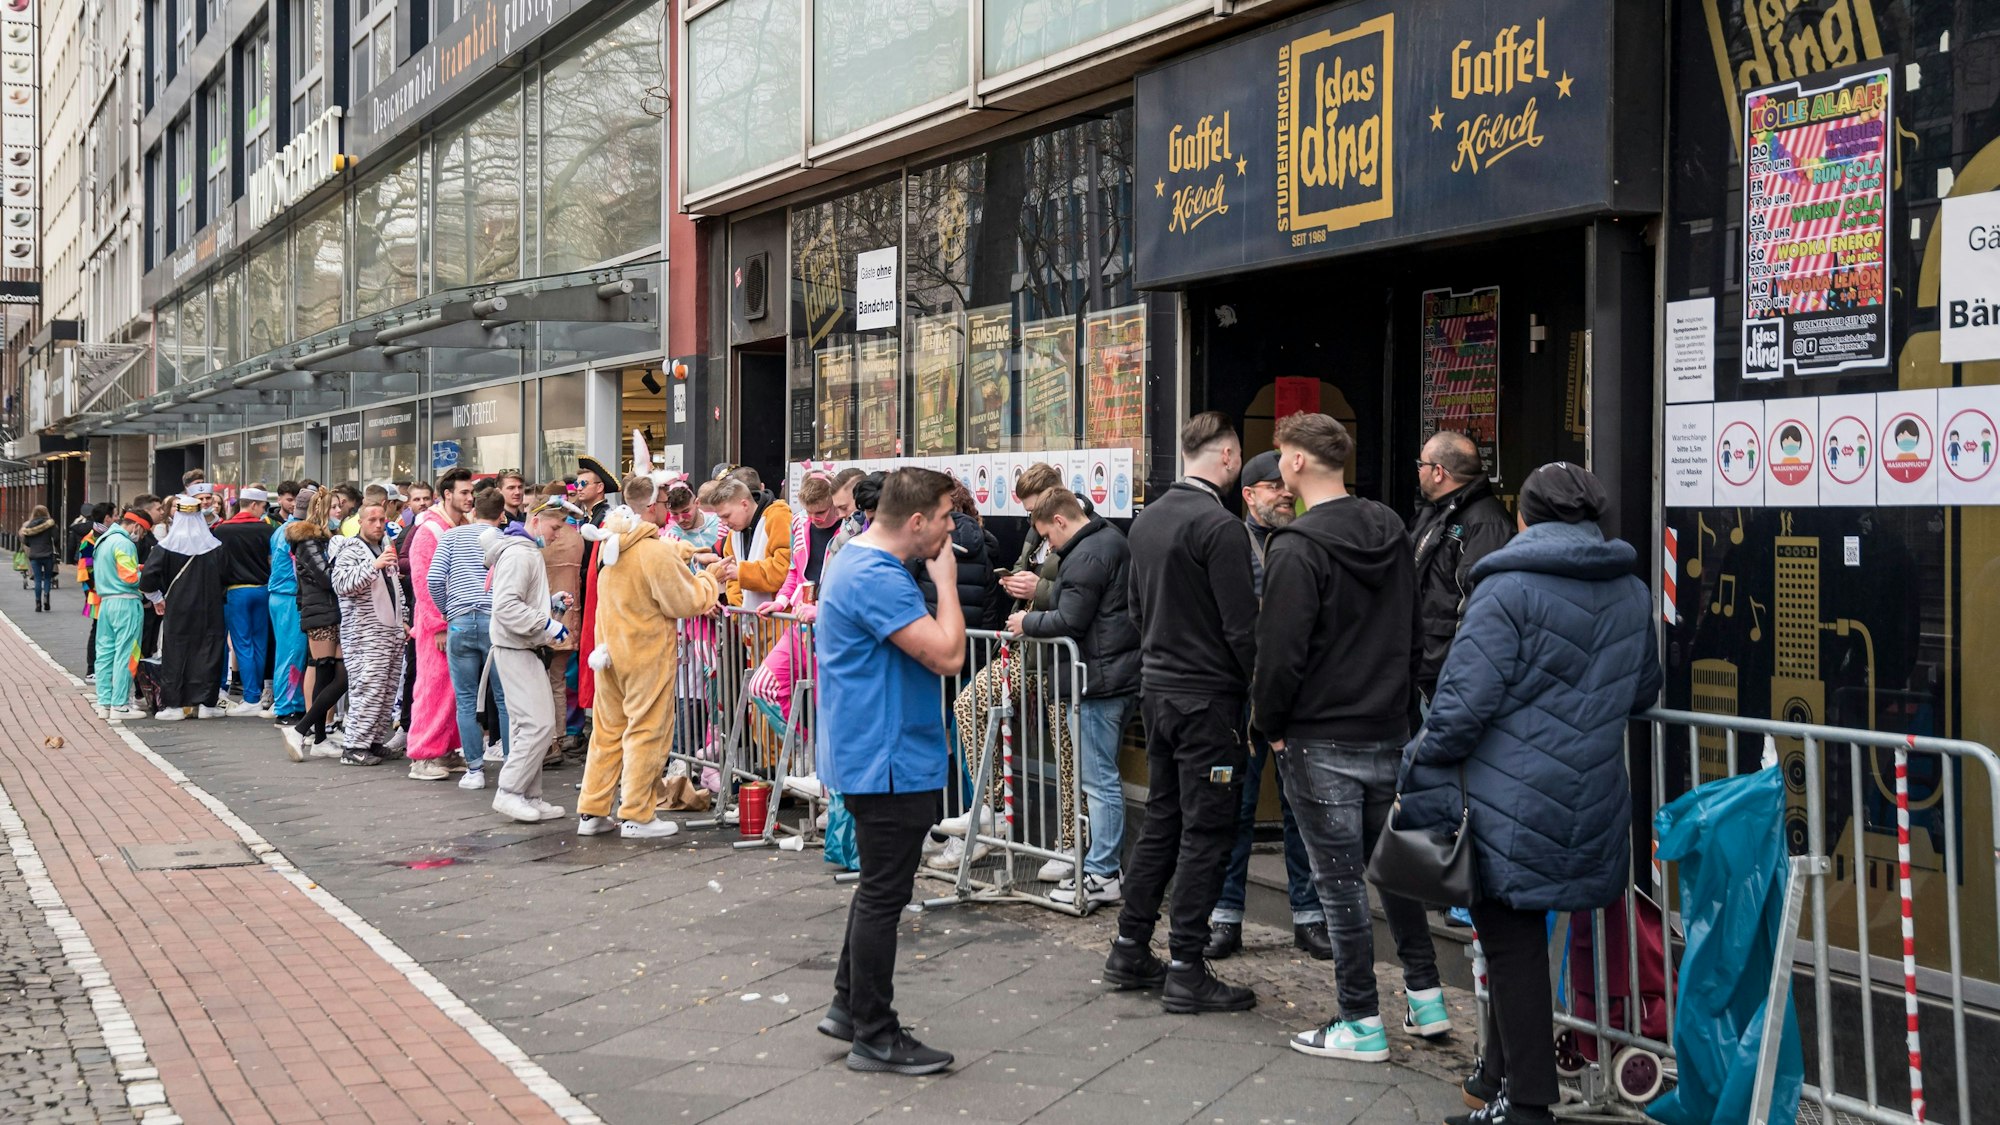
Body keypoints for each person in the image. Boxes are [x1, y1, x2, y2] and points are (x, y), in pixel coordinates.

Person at [1399, 462, 1662, 1125]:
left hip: (1507, 799)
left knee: (1510, 945)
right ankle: (1496, 1075)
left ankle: (1530, 1105)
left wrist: (1419, 758)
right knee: (1523, 944)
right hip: (1593, 793)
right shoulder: (1630, 589)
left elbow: (1459, 705)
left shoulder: (1508, 589)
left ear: (1525, 518)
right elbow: (1642, 689)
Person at [1251, 412, 1444, 1063]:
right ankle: (1426, 991)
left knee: (1340, 884)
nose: (1278, 468)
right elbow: (1413, 626)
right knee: (1395, 868)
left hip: (1320, 734)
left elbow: (1279, 653)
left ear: (1298, 462)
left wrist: (1270, 726)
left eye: (1280, 456)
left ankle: (1359, 1018)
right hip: (1386, 727)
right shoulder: (1391, 528)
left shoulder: (1297, 546)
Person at [1104, 410, 1258, 1014]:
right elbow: (1243, 628)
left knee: (1165, 820)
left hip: (1160, 690)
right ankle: (1189, 965)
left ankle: (1130, 943)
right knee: (1207, 829)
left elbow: (1137, 609)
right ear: (1226, 457)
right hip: (1207, 699)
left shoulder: (1147, 521)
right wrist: (1264, 698)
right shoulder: (1217, 527)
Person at [815, 467, 964, 1076]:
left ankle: (850, 1007)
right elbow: (950, 654)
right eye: (948, 516)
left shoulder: (853, 560)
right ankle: (875, 1033)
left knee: (877, 887)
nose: (953, 529)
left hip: (873, 750)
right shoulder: (878, 575)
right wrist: (946, 583)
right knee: (884, 895)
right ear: (918, 522)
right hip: (889, 757)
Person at [1209, 450, 1331, 961]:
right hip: (1239, 696)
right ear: (1249, 494)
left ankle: (1309, 917)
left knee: (1303, 811)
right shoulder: (1228, 542)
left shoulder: (1307, 541)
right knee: (1233, 811)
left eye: (1287, 485)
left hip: (1297, 695)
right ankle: (1225, 918)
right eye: (1272, 485)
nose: (1284, 492)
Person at [1007, 486, 1138, 907]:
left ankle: (1102, 870)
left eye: (1048, 535)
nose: (1048, 545)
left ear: (1060, 521)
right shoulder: (1106, 541)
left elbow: (1071, 619)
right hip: (1104, 674)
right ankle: (1103, 867)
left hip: (1096, 680)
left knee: (1098, 781)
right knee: (1099, 779)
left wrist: (1027, 623)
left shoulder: (1085, 554)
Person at [577, 501, 720, 839]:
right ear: (652, 507)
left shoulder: (613, 546)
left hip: (610, 652)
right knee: (647, 732)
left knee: (607, 734)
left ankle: (592, 811)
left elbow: (663, 555)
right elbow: (685, 602)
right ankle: (637, 815)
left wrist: (685, 553)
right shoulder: (651, 552)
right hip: (644, 654)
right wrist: (709, 579)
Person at [484, 498, 576, 822]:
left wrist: (548, 608)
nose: (556, 535)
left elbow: (512, 603)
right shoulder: (521, 554)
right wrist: (547, 622)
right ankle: (510, 792)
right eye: (554, 527)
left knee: (531, 725)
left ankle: (527, 794)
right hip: (517, 649)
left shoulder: (522, 552)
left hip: (519, 648)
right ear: (536, 521)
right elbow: (506, 607)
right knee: (538, 724)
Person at [1411, 431, 1513, 704]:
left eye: (1422, 465)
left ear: (1438, 472)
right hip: (1426, 669)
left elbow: (1480, 607)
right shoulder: (1438, 512)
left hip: (1449, 679)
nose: (1418, 472)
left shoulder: (1485, 523)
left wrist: (1455, 672)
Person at [429, 488, 511, 788]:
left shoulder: (451, 537)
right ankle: (510, 770)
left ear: (473, 510)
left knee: (466, 699)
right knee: (504, 699)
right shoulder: (506, 542)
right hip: (495, 623)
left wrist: (448, 611)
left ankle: (474, 770)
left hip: (460, 622)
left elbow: (435, 578)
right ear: (502, 515)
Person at [406, 468, 472, 780]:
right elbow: (423, 582)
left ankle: (445, 749)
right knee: (433, 687)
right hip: (439, 624)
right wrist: (437, 625)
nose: (470, 497)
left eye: (470, 492)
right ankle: (422, 755)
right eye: (464, 492)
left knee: (454, 689)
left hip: (458, 620)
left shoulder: (459, 526)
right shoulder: (429, 531)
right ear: (447, 495)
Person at [329, 502, 406, 766]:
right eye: (372, 519)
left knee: (386, 689)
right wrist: (374, 566)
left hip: (391, 629)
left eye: (382, 519)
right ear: (360, 522)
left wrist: (403, 620)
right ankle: (353, 746)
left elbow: (395, 587)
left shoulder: (385, 546)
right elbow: (341, 585)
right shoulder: (351, 549)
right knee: (369, 687)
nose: (377, 524)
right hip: (365, 633)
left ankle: (372, 741)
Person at [142, 497, 229, 721]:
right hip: (210, 608)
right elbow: (225, 578)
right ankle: (206, 704)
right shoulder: (214, 546)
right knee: (209, 652)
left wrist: (157, 599)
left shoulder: (166, 546)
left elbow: (148, 579)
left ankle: (175, 704)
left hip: (178, 609)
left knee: (176, 653)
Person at [284, 490, 347, 759]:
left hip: (330, 612)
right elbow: (327, 577)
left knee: (335, 676)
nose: (339, 512)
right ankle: (303, 730)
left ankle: (317, 736)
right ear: (320, 511)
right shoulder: (308, 541)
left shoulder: (321, 540)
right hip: (322, 614)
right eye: (333, 507)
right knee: (329, 675)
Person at [537, 483, 588, 767]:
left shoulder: (541, 541)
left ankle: (548, 743)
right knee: (558, 683)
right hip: (570, 618)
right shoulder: (576, 538)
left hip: (544, 618)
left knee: (542, 683)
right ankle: (557, 737)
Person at [214, 486, 276, 714]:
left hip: (236, 591)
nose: (263, 511)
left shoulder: (222, 531)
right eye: (262, 506)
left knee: (242, 644)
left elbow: (218, 564)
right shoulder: (266, 530)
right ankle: (257, 694)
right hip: (263, 590)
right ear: (253, 505)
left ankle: (250, 697)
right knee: (260, 642)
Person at [912, 483, 1002, 629]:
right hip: (972, 644)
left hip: (928, 641)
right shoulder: (983, 549)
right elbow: (989, 610)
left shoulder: (922, 546)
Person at [91, 508, 150, 719]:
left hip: (105, 603)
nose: (140, 537)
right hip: (126, 604)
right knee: (127, 652)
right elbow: (130, 577)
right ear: (136, 526)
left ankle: (104, 703)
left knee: (105, 654)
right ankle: (120, 705)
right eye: (142, 532)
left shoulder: (103, 541)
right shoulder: (124, 543)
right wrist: (147, 571)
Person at [709, 476, 792, 609]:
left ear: (744, 504)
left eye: (726, 516)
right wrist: (737, 610)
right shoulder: (733, 533)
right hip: (750, 624)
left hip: (779, 623)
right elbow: (732, 581)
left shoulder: (778, 517)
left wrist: (741, 573)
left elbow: (784, 569)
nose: (724, 523)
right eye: (721, 518)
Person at [763, 472, 842, 613]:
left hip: (833, 615)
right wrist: (780, 602)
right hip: (801, 614)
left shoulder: (849, 529)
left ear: (834, 503)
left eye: (820, 513)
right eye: (808, 511)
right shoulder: (798, 522)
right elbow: (794, 572)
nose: (812, 518)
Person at [267, 485, 311, 726]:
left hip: (282, 596)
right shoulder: (295, 531)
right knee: (292, 652)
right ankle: (285, 707)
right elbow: (300, 569)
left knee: (293, 651)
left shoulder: (285, 529)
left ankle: (293, 703)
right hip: (288, 597)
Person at [19, 505, 58, 611]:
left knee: (37, 579)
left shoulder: (29, 525)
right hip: (47, 554)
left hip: (34, 555)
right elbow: (56, 538)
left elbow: (25, 540)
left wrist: (33, 545)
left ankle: (38, 603)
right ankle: (46, 597)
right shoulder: (50, 524)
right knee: (47, 578)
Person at [576, 457, 616, 525]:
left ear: (599, 487)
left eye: (584, 483)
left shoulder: (608, 517)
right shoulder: (588, 516)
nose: (579, 488)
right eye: (576, 484)